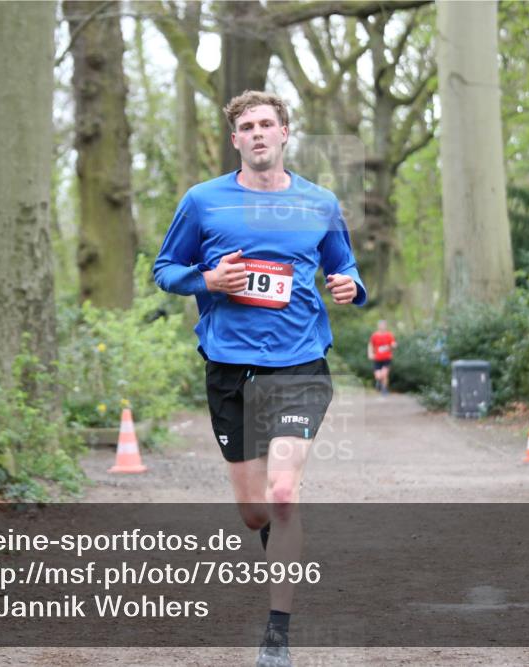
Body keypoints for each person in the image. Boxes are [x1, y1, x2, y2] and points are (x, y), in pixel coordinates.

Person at [153, 90, 367, 667]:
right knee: (254, 512)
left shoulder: (319, 202)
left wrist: (351, 286)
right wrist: (207, 280)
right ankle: (278, 550)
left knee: (282, 493)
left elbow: (341, 264)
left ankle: (278, 633)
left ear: (284, 133)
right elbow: (165, 271)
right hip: (229, 367)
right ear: (235, 140)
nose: (257, 133)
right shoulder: (203, 202)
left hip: (300, 365)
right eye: (246, 126)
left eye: (267, 124)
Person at [368, 319, 397, 395]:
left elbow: (394, 344)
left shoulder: (389, 335)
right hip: (377, 358)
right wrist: (370, 353)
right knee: (378, 376)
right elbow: (370, 345)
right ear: (378, 326)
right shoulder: (375, 335)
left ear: (386, 326)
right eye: (381, 325)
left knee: (384, 374)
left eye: (383, 325)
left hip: (387, 358)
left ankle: (384, 389)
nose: (382, 326)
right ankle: (379, 383)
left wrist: (392, 346)